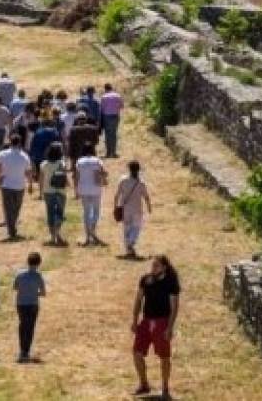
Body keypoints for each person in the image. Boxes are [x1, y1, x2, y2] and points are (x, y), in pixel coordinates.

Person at [131, 256, 182, 399]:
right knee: (137, 353)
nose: (153, 268)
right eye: (152, 265)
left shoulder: (171, 283)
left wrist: (169, 327)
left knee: (164, 357)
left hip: (162, 322)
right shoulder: (145, 280)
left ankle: (165, 389)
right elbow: (138, 300)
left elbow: (174, 307)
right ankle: (144, 384)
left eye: (156, 266)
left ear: (164, 267)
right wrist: (135, 320)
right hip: (146, 321)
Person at [0, 134, 33, 240]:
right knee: (16, 208)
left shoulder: (4, 154)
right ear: (19, 143)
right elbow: (28, 172)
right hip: (19, 185)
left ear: (10, 142)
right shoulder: (24, 156)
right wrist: (30, 184)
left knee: (8, 208)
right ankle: (12, 229)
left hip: (7, 185)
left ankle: (11, 229)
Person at [114, 161, 153, 259]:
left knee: (126, 229)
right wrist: (149, 207)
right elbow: (146, 197)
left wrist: (115, 206)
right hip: (137, 209)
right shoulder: (141, 183)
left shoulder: (123, 180)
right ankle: (131, 244)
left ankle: (128, 249)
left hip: (125, 209)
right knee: (136, 228)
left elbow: (117, 195)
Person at [13, 251, 47, 363]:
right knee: (30, 328)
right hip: (32, 304)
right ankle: (26, 351)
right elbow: (43, 293)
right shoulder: (38, 276)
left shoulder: (20, 274)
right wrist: (34, 293)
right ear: (38, 263)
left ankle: (22, 350)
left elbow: (15, 287)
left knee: (22, 326)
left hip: (21, 303)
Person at [73, 150, 108, 246]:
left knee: (86, 212)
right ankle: (93, 229)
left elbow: (76, 176)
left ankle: (88, 236)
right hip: (95, 188)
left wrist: (76, 190)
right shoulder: (97, 161)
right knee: (96, 211)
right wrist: (105, 179)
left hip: (83, 189)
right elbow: (103, 172)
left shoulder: (79, 161)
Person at [37, 144, 69, 246]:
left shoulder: (43, 164)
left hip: (48, 191)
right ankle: (57, 234)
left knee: (50, 214)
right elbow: (65, 177)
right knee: (59, 213)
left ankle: (53, 237)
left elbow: (41, 180)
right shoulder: (62, 163)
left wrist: (40, 192)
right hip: (60, 191)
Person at [101, 83, 125, 158]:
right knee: (114, 134)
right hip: (115, 116)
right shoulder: (118, 95)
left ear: (105, 89)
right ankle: (114, 152)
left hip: (107, 117)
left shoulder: (104, 97)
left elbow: (102, 108)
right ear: (112, 88)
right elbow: (122, 106)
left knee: (107, 134)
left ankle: (108, 152)